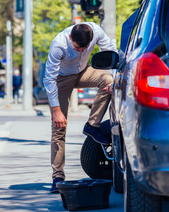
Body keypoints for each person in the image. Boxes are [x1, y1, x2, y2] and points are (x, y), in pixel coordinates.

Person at [43, 22, 117, 193]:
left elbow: (111, 53)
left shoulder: (96, 31)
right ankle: (57, 176)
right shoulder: (59, 44)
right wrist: (56, 111)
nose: (81, 51)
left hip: (84, 72)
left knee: (108, 80)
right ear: (70, 38)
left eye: (85, 48)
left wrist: (114, 81)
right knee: (59, 128)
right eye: (77, 48)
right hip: (61, 78)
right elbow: (49, 79)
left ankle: (92, 125)